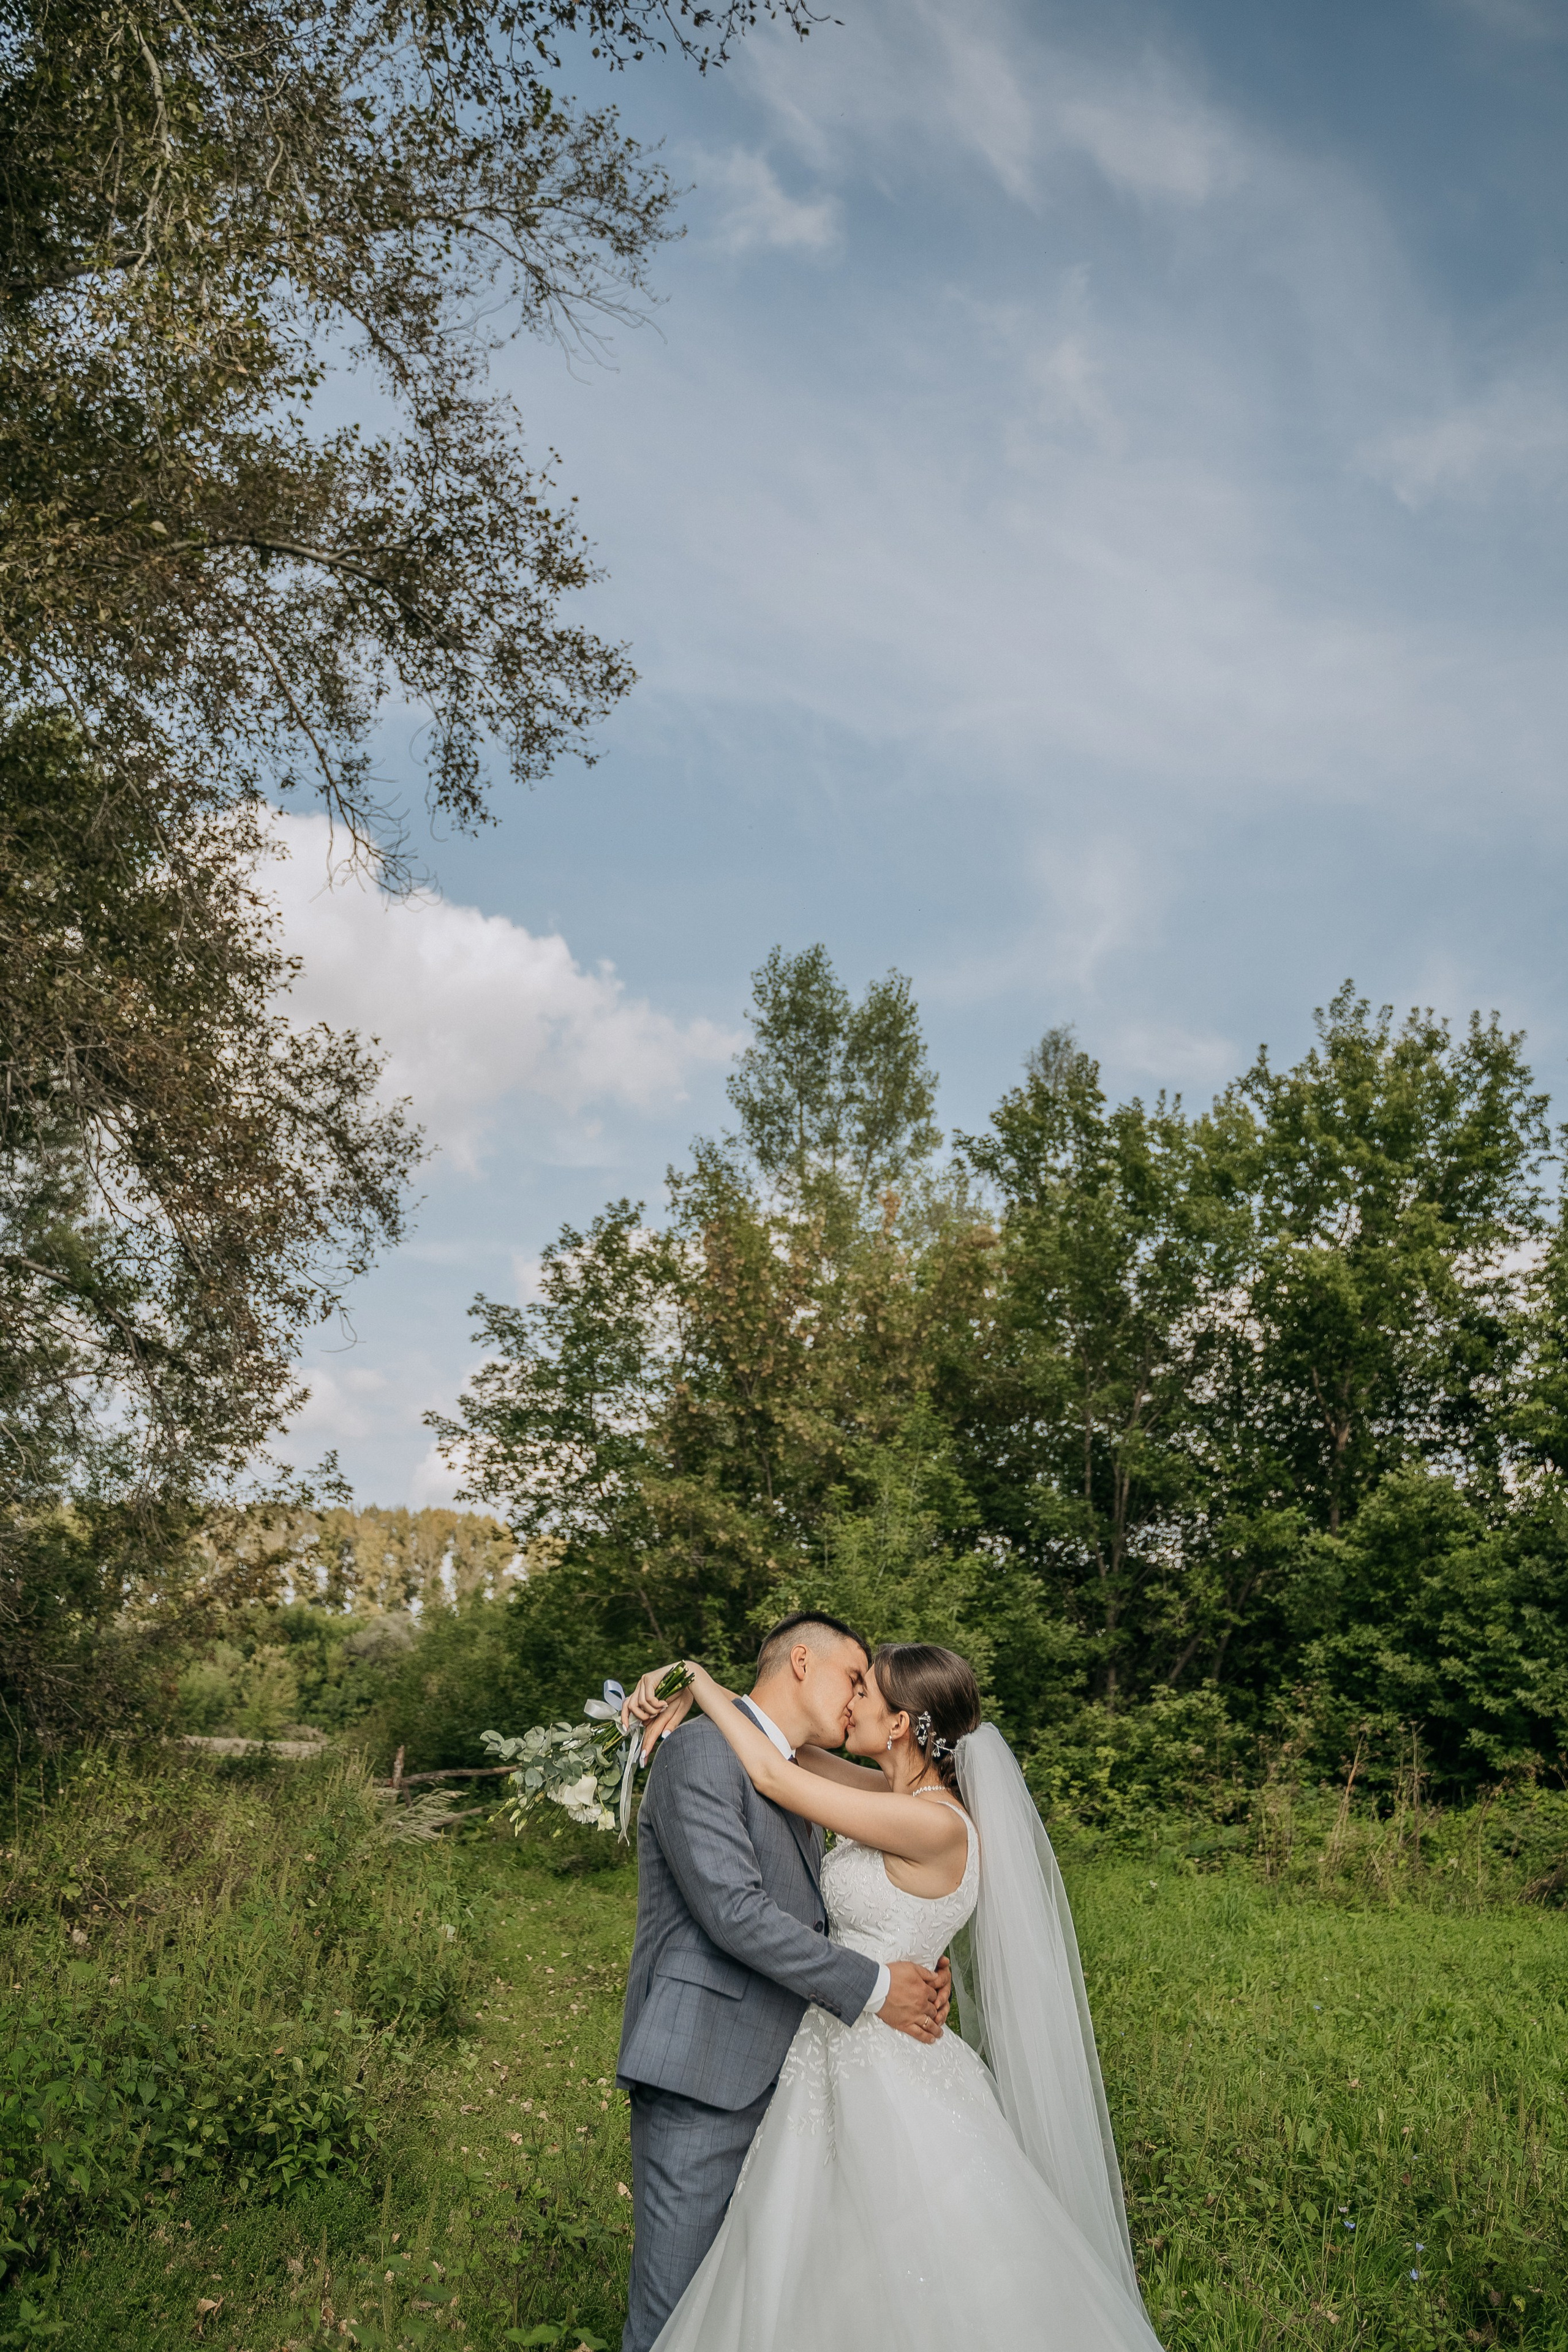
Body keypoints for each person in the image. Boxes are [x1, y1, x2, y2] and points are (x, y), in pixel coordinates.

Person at [619, 1640, 1165, 2352]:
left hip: (882, 2053)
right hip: (834, 2041)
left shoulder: (932, 1820)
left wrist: (699, 1676)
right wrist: (693, 1693)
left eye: (864, 1692)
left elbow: (772, 1775)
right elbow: (784, 1749)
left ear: (902, 1722)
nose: (851, 1703)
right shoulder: (893, 1794)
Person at [614, 1613, 953, 2352]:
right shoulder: (703, 1751)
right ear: (803, 1661)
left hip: (796, 2080)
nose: (860, 1699)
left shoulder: (786, 1765)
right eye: (853, 1678)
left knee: (751, 2314)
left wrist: (920, 1957)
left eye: (872, 1690)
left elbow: (825, 1909)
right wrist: (876, 1984)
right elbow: (734, 1912)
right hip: (705, 2073)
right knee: (673, 2320)